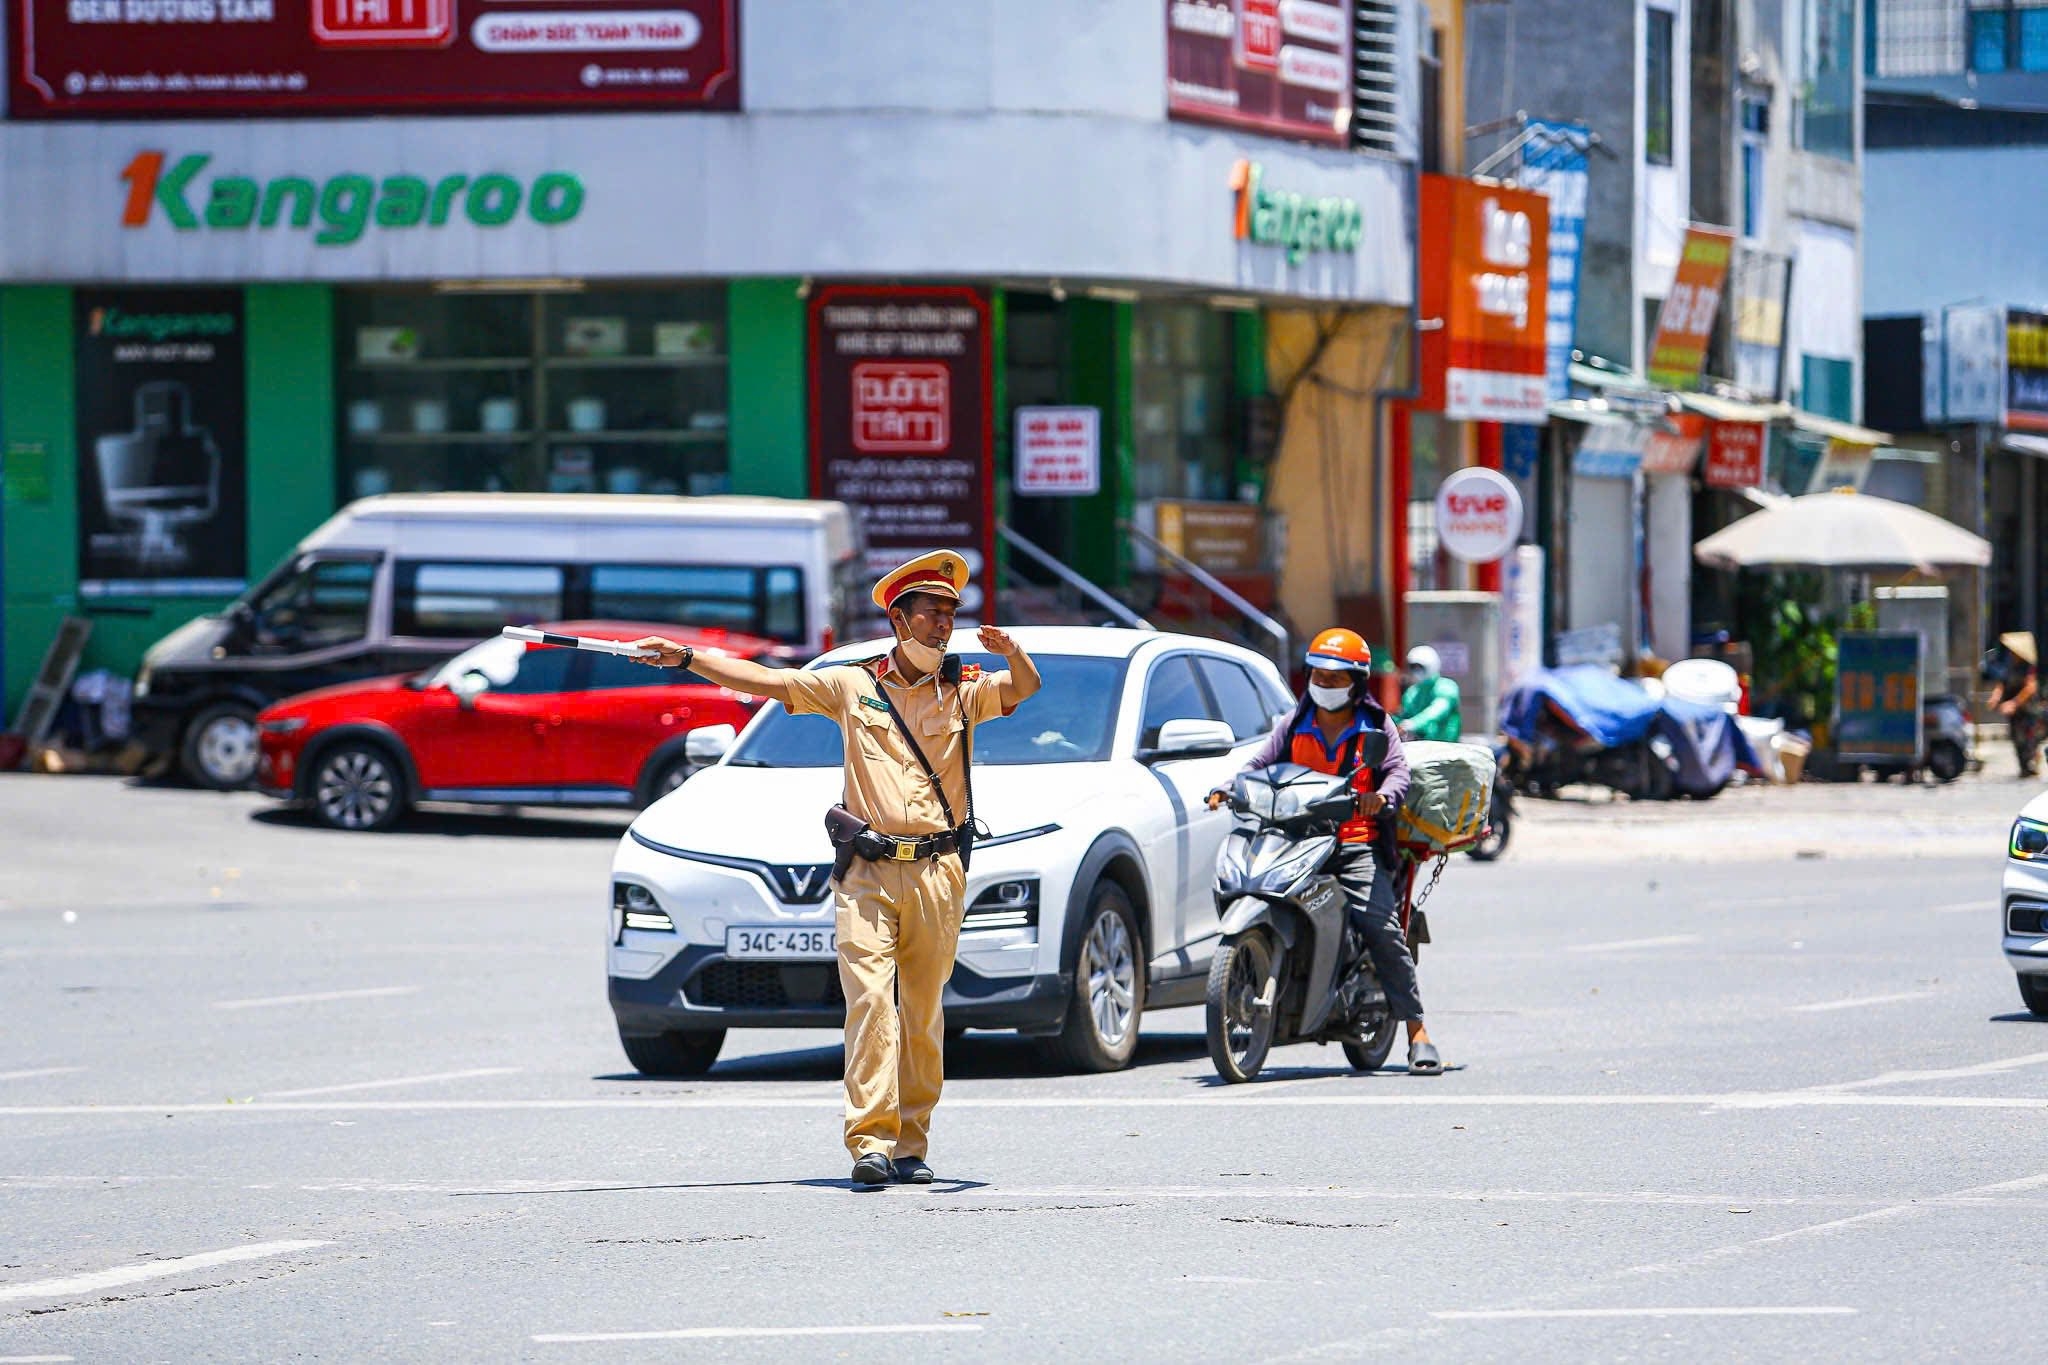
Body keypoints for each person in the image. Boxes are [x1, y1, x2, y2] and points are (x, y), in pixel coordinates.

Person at [630, 550, 1041, 1186]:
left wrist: (1012, 652)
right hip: (868, 872)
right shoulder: (852, 685)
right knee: (871, 1002)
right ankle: (871, 1143)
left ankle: (912, 1141)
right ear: (901, 621)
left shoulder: (964, 688)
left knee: (923, 1011)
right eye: (934, 613)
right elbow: (763, 680)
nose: (946, 625)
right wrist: (686, 658)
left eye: (951, 613)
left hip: (938, 872)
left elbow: (1023, 689)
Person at [1205, 628, 1440, 1074]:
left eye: (1336, 679)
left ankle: (1417, 1031)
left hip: (1352, 844)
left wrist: (1382, 798)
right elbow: (1258, 764)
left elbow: (1396, 774)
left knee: (1381, 927)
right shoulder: (1294, 722)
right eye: (1319, 676)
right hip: (1293, 837)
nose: (1326, 685)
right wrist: (1226, 786)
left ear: (1356, 682)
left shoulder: (1376, 726)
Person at [1991, 631, 2043, 779]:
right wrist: (1996, 698)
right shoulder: (2009, 666)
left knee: (2029, 738)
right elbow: (2002, 684)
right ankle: (2024, 767)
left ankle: (2031, 763)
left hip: (2028, 709)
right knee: (2016, 738)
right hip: (2014, 712)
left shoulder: (2028, 667)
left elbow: (2030, 687)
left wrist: (2014, 703)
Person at [1398, 645, 1463, 742]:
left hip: (1448, 748)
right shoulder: (1412, 693)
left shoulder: (1446, 686)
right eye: (1413, 667)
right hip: (1420, 748)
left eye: (1420, 667)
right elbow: (1404, 716)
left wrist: (1414, 723)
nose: (1416, 671)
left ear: (1432, 665)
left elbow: (1438, 710)